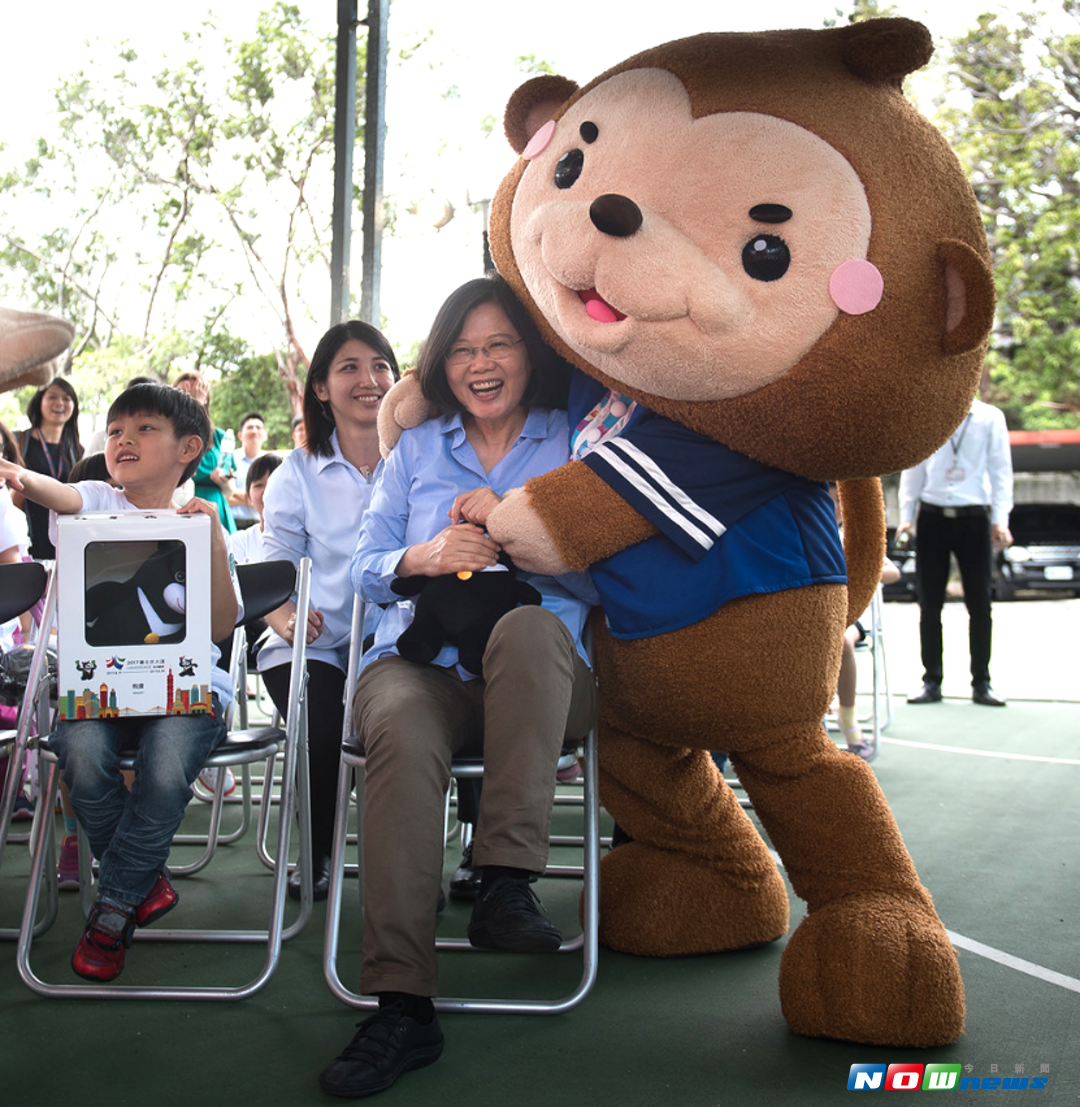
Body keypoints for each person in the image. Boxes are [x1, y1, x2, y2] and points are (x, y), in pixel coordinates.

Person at [318, 276, 597, 1099]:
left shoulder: (573, 442)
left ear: (530, 354)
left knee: (529, 624)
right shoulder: (413, 450)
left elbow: (605, 574)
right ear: (443, 363)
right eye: (465, 348)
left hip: (543, 673)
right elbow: (364, 574)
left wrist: (516, 528)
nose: (482, 363)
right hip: (421, 665)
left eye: (500, 344)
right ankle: (402, 1005)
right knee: (398, 722)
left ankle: (504, 879)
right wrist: (423, 557)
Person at [0, 382, 241, 981]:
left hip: (188, 688)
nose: (122, 440)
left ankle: (112, 912)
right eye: (113, 432)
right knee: (76, 752)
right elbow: (62, 495)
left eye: (143, 429)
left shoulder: (200, 519)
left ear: (191, 447)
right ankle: (143, 884)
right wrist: (24, 479)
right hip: (101, 685)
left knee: (163, 767)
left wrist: (209, 536)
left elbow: (217, 624)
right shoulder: (96, 498)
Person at [258, 321, 395, 902]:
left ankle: (425, 865)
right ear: (320, 388)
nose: (369, 380)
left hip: (393, 640)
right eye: (349, 368)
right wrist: (284, 616)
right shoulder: (296, 471)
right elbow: (272, 571)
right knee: (319, 717)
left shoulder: (419, 457)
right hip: (312, 641)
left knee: (427, 705)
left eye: (381, 366)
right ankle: (315, 853)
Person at [897, 397, 1013, 707]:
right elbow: (913, 469)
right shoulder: (928, 410)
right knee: (929, 602)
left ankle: (982, 682)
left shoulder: (990, 417)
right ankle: (931, 681)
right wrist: (906, 516)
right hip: (932, 517)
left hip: (974, 518)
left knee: (980, 603)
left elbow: (1001, 471)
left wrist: (1001, 520)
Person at [14, 377, 84, 558]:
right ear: (39, 402)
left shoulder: (77, 450)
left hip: (65, 544)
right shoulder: (19, 442)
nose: (59, 403)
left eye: (66, 398)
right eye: (52, 397)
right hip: (26, 539)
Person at [173, 371, 238, 534]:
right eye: (183, 394)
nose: (189, 398)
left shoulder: (220, 437)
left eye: (194, 393)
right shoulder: (169, 438)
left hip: (215, 504)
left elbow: (231, 489)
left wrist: (223, 482)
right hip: (181, 505)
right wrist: (195, 405)